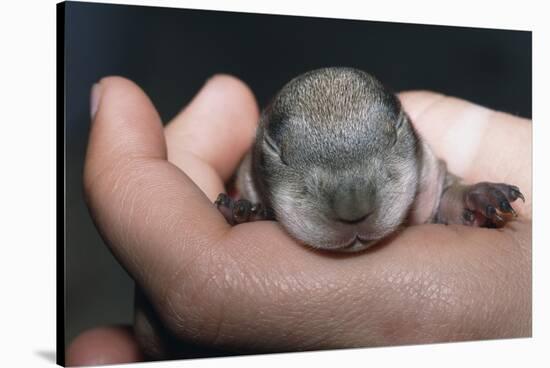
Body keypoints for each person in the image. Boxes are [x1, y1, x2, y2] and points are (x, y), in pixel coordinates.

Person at [67, 75, 531, 366]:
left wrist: (464, 201)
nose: (352, 209)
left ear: (409, 134)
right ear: (258, 160)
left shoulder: (426, 163)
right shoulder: (249, 180)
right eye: (284, 158)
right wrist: (246, 219)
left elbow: (442, 193)